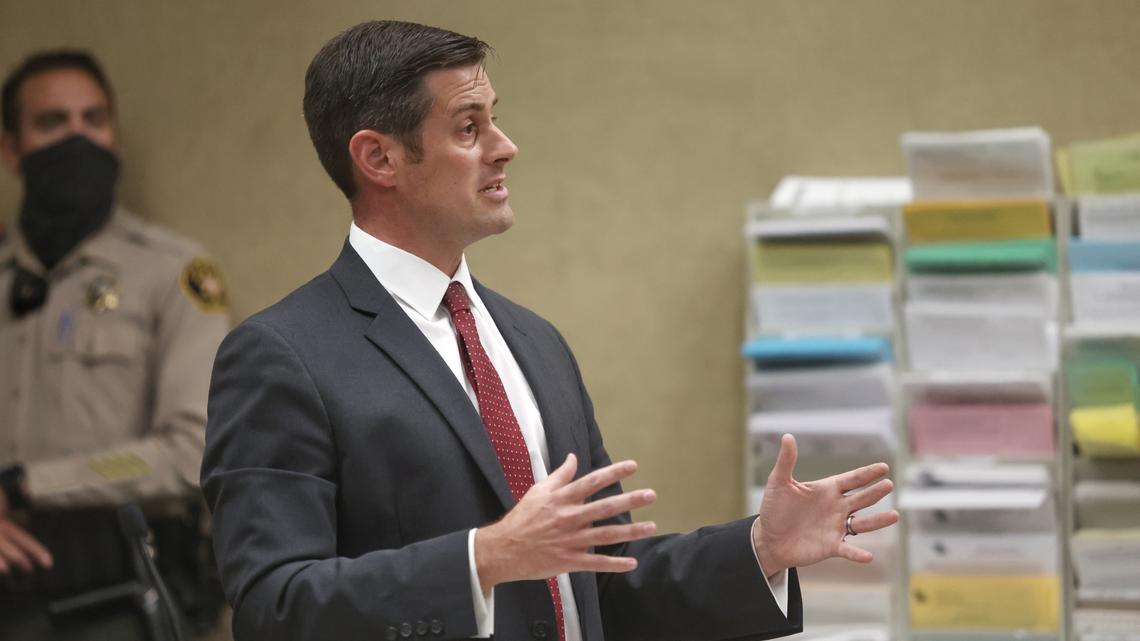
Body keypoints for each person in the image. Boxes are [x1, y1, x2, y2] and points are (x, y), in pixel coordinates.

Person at [201, 20, 899, 641]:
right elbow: (273, 607)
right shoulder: (282, 356)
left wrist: (760, 548)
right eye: (468, 127)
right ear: (379, 158)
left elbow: (601, 583)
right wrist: (483, 559)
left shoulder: (534, 341)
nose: (505, 147)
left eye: (493, 119)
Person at [0, 50, 230, 639]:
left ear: (116, 138)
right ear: (10, 149)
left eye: (94, 120)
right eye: (52, 124)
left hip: (122, 593)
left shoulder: (172, 273)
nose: (78, 138)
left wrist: (26, 485)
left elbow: (192, 450)